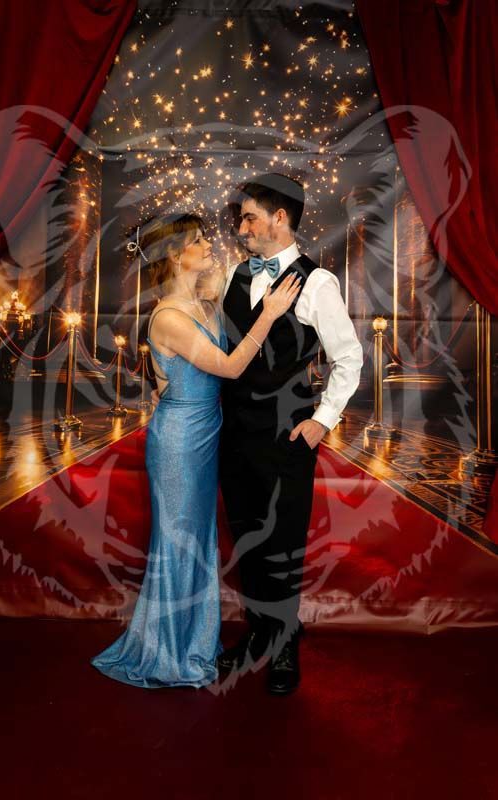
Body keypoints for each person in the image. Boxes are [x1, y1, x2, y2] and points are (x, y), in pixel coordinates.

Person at [90, 213, 301, 689]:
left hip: (210, 434)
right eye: (198, 240)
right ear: (173, 254)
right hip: (180, 440)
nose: (209, 244)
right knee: (179, 541)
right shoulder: (168, 316)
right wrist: (267, 315)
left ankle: (194, 642)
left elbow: (247, 277)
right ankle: (167, 651)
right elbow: (227, 367)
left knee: (201, 540)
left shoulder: (207, 303)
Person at [218, 173, 363, 694]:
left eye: (251, 217)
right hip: (232, 436)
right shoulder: (238, 274)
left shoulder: (317, 282)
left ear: (281, 218)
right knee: (248, 542)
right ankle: (262, 633)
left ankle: (282, 646)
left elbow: (349, 357)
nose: (242, 227)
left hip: (285, 437)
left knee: (281, 545)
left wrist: (322, 421)